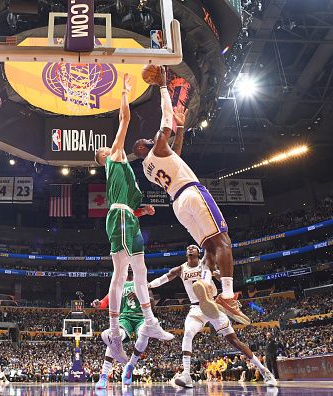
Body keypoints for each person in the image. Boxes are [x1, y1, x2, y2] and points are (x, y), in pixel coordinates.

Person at [133, 66, 250, 325]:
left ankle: (208, 286)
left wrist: (182, 127)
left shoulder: (148, 168)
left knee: (208, 245)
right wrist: (163, 86)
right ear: (142, 147)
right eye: (145, 141)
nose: (149, 140)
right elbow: (166, 117)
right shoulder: (156, 146)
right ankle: (228, 296)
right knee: (223, 240)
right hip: (192, 193)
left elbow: (176, 155)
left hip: (178, 204)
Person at [94, 73, 173, 363]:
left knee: (137, 272)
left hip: (128, 218)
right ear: (104, 155)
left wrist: (144, 210)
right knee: (126, 273)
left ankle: (140, 324)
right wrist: (124, 92)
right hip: (120, 218)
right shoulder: (114, 157)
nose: (111, 145)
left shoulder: (124, 173)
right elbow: (124, 120)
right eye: (106, 147)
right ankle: (117, 332)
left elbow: (131, 206)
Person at [148, 245, 277, 388]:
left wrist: (221, 278)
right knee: (188, 333)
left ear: (198, 252)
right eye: (188, 248)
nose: (190, 248)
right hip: (196, 307)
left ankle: (263, 370)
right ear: (186, 254)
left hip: (214, 304)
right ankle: (186, 375)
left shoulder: (206, 265)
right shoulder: (180, 269)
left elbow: (221, 276)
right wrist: (149, 285)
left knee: (234, 341)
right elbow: (163, 279)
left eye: (194, 247)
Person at [91, 269, 151, 388]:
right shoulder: (118, 283)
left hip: (140, 317)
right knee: (113, 337)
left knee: (145, 333)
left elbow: (152, 302)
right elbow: (105, 302)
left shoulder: (141, 281)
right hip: (124, 318)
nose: (129, 266)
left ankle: (129, 367)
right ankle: (103, 376)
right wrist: (98, 304)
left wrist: (146, 294)